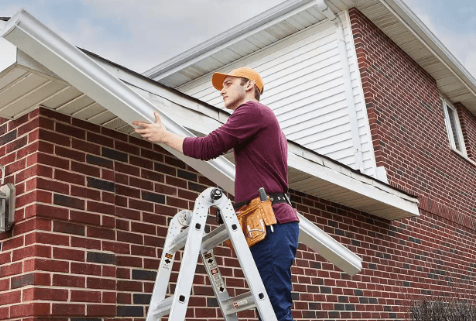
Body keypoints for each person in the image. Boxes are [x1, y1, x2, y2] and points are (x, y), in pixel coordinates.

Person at [132, 67, 299, 321]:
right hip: (266, 221)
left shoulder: (252, 110)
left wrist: (164, 136)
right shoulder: (259, 119)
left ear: (249, 86)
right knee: (268, 310)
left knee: (274, 311)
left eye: (229, 83)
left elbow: (209, 147)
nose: (222, 90)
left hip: (270, 220)